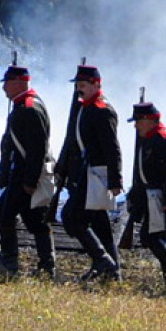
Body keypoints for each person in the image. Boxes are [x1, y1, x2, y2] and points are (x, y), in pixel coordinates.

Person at [58, 64, 123, 281]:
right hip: (83, 173)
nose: (79, 89)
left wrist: (115, 179)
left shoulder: (102, 111)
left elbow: (112, 148)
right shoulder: (83, 107)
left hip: (96, 174)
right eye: (78, 85)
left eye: (83, 85)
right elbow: (72, 142)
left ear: (96, 85)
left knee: (71, 218)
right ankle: (113, 272)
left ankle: (102, 259)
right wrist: (63, 169)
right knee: (100, 225)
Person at [0, 62, 56, 279]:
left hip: (26, 174)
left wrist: (30, 180)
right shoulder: (22, 106)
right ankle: (47, 265)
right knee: (34, 220)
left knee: (4, 216)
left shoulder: (30, 108)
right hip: (20, 172)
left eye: (8, 83)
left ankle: (10, 266)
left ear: (20, 82)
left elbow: (37, 149)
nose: (4, 88)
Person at [127, 101, 166, 282]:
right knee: (150, 237)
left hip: (161, 197)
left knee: (153, 237)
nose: (136, 125)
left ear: (148, 120)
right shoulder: (148, 139)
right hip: (148, 196)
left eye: (138, 121)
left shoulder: (165, 140)